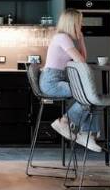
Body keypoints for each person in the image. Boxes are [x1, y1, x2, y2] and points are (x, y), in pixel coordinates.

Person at [40, 8, 102, 152]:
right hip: (51, 82)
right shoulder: (62, 38)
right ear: (72, 23)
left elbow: (82, 58)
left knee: (91, 96)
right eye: (80, 22)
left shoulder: (64, 38)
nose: (82, 25)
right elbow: (81, 61)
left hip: (54, 79)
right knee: (88, 94)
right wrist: (79, 39)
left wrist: (81, 39)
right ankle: (66, 122)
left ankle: (87, 134)